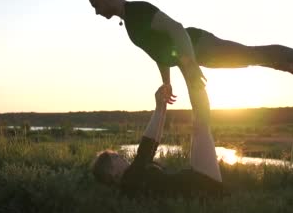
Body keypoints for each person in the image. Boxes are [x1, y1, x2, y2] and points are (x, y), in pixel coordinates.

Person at [87, 0, 293, 183]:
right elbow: (159, 55)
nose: (97, 12)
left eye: (96, 4)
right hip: (190, 56)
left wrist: (189, 62)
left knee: (249, 54)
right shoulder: (131, 25)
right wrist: (167, 82)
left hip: (196, 45)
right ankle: (291, 64)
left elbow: (176, 29)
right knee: (248, 58)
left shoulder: (138, 10)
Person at [92, 85, 225, 199]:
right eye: (115, 157)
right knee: (201, 122)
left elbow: (151, 146)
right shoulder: (130, 179)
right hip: (204, 185)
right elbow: (146, 147)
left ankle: (191, 75)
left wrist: (162, 107)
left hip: (196, 180)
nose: (120, 156)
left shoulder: (131, 182)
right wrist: (159, 107)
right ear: (112, 172)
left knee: (199, 124)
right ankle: (191, 73)